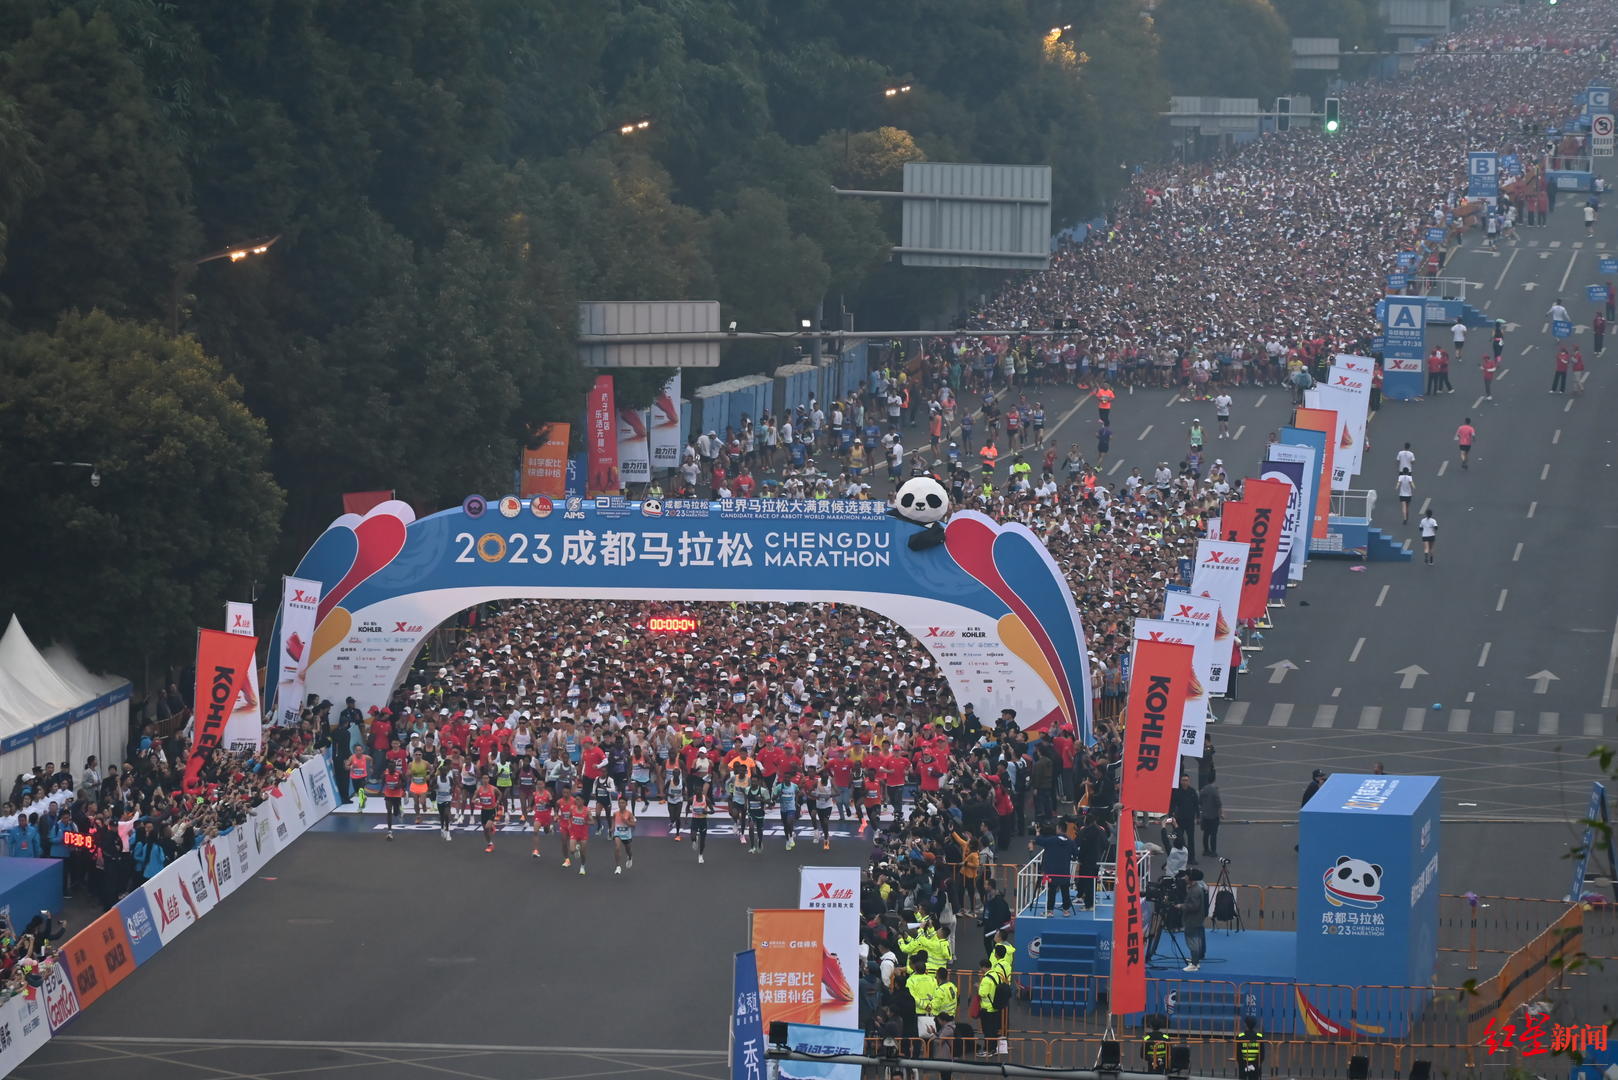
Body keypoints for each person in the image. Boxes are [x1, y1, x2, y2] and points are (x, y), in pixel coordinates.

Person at [1030, 821, 1076, 916]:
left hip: (1052, 871)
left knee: (1052, 891)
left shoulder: (1051, 840)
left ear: (1059, 828)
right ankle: (1066, 910)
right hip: (1065, 871)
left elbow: (1038, 840)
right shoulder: (1071, 842)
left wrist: (1038, 831)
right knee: (1065, 891)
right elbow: (1076, 855)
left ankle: (1050, 911)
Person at [1180, 867, 1208, 972]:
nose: (1184, 877)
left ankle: (1194, 964)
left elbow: (1194, 906)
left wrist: (1181, 906)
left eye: (1186, 875)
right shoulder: (1195, 888)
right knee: (1198, 940)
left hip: (1192, 920)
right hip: (1197, 919)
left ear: (1191, 878)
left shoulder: (1195, 890)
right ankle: (1196, 959)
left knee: (1192, 941)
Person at [473, 773, 500, 854]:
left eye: (486, 778)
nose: (485, 780)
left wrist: (498, 801)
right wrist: (475, 801)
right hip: (483, 811)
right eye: (483, 778)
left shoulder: (493, 789)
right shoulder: (479, 790)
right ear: (482, 779)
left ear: (489, 779)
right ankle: (490, 844)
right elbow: (473, 799)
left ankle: (491, 826)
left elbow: (500, 794)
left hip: (491, 810)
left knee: (487, 827)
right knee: (485, 830)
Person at [1235, 1015, 1266, 1079]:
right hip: (1256, 1064)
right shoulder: (1259, 1037)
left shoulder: (1240, 1037)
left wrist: (1241, 1063)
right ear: (1255, 1025)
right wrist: (1257, 1063)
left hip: (1243, 1064)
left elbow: (1238, 1053)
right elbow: (1262, 1054)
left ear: (1245, 1024)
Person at [611, 795, 636, 875]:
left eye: (623, 803)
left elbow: (633, 825)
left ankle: (630, 857)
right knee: (617, 847)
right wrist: (612, 827)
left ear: (626, 804)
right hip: (617, 833)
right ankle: (618, 867)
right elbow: (613, 820)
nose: (621, 804)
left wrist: (626, 822)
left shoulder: (629, 814)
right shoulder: (615, 813)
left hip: (626, 835)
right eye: (619, 803)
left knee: (628, 850)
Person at [689, 779, 712, 864]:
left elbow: (713, 811)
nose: (698, 792)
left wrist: (707, 812)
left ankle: (701, 855)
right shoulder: (692, 799)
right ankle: (694, 840)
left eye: (700, 790)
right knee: (692, 836)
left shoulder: (706, 799)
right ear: (695, 791)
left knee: (703, 839)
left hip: (703, 820)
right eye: (696, 790)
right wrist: (686, 818)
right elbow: (687, 808)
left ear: (702, 791)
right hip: (695, 820)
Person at [380, 762, 405, 840]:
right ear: (388, 768)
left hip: (397, 795)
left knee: (395, 813)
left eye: (392, 768)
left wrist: (400, 786)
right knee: (389, 811)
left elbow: (405, 782)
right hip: (388, 795)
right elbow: (383, 781)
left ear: (395, 768)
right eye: (389, 768)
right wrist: (380, 790)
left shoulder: (399, 773)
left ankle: (399, 808)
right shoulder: (385, 773)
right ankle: (389, 831)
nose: (391, 769)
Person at [1199, 779, 1222, 858]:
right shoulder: (1214, 790)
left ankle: (1206, 850)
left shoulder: (1203, 790)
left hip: (1205, 815)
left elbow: (1200, 801)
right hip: (1213, 815)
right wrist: (1221, 813)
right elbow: (1218, 803)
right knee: (1213, 834)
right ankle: (1213, 851)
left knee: (1206, 833)